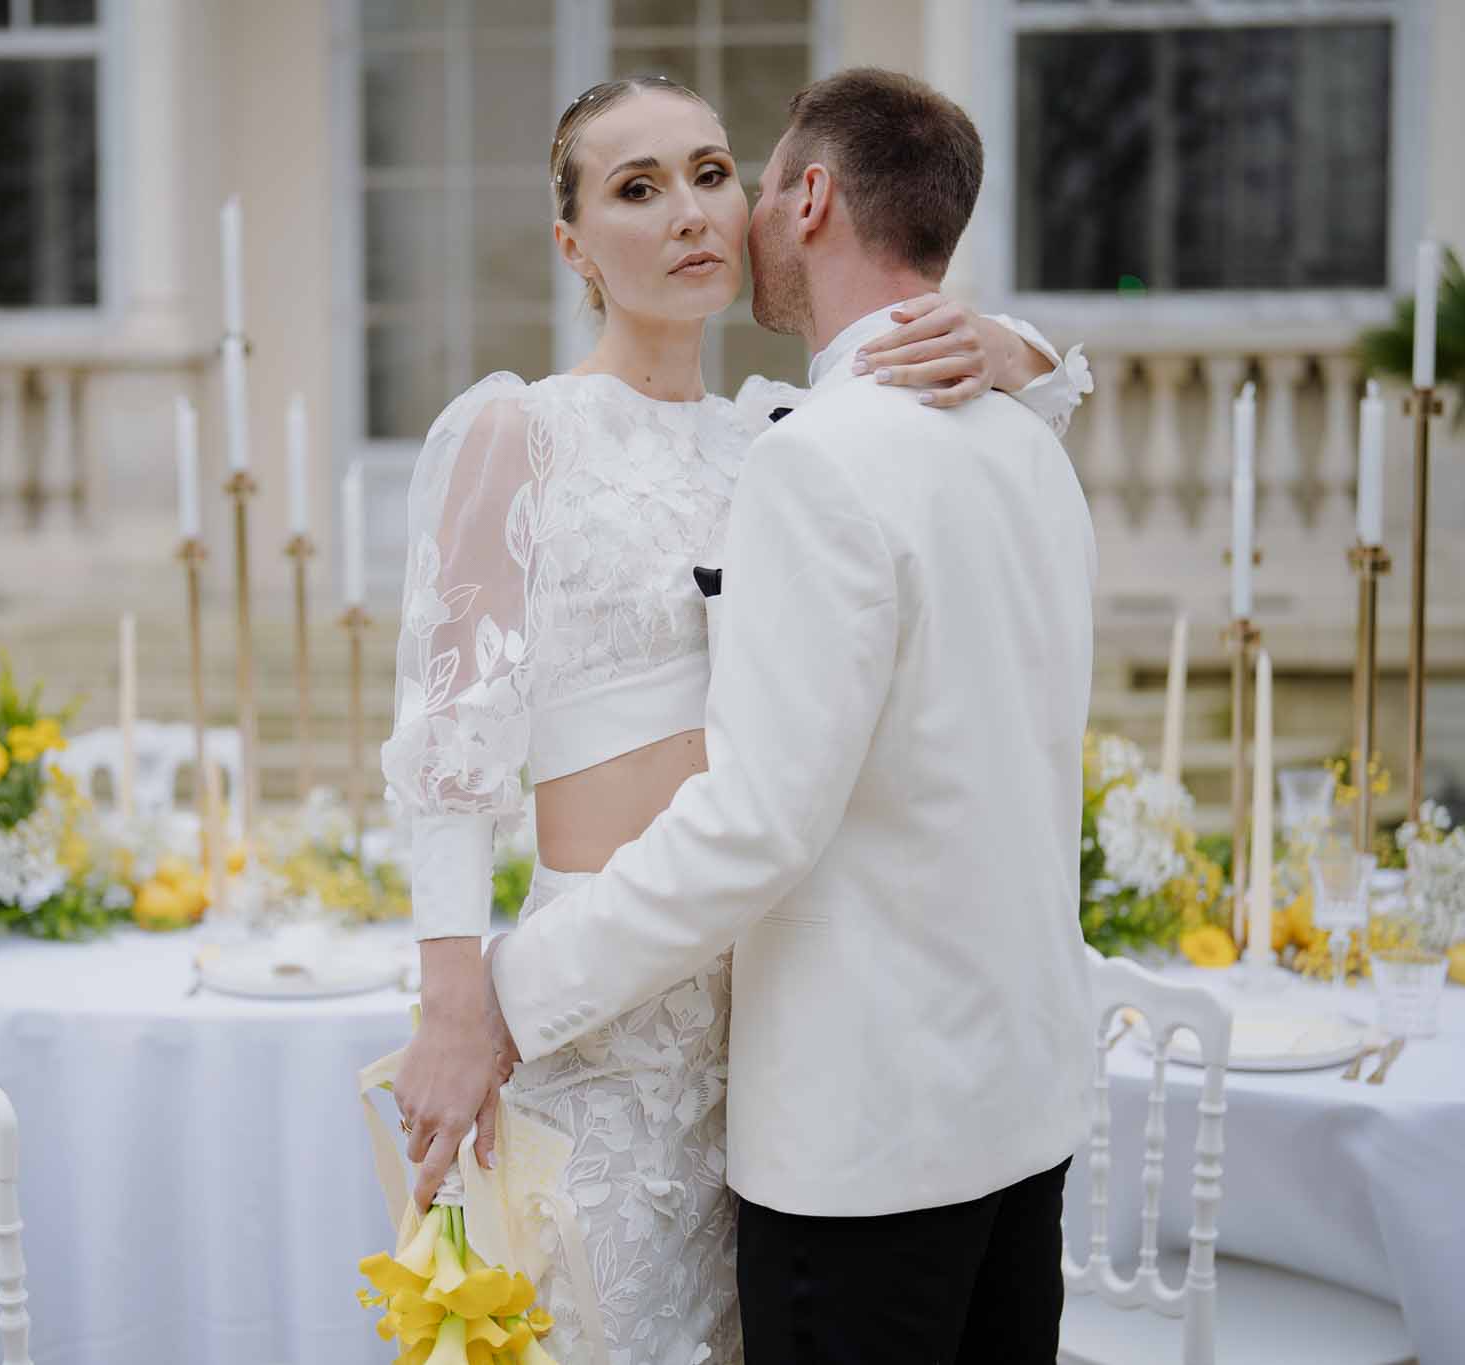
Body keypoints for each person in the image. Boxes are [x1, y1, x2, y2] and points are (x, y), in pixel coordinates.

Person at [385, 70, 1092, 1363]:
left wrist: (1012, 343)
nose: (691, 213)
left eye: (714, 174)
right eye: (636, 189)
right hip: (597, 1016)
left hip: (765, 1034)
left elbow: (979, 436)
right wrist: (456, 998)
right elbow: (449, 739)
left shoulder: (775, 437)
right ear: (573, 244)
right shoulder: (513, 433)